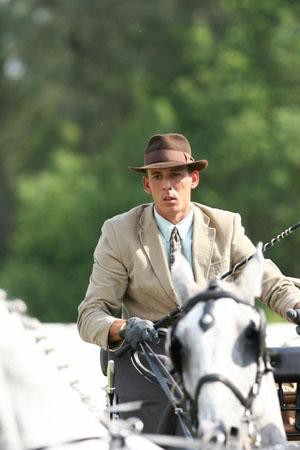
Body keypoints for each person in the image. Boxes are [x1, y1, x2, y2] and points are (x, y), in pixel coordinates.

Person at [77, 133, 300, 434]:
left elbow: (271, 283)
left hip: (219, 357)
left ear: (193, 178)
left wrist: (294, 306)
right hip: (152, 362)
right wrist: (123, 328)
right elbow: (90, 314)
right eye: (158, 177)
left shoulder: (226, 226)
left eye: (176, 175)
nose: (168, 186)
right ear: (147, 184)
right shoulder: (119, 233)